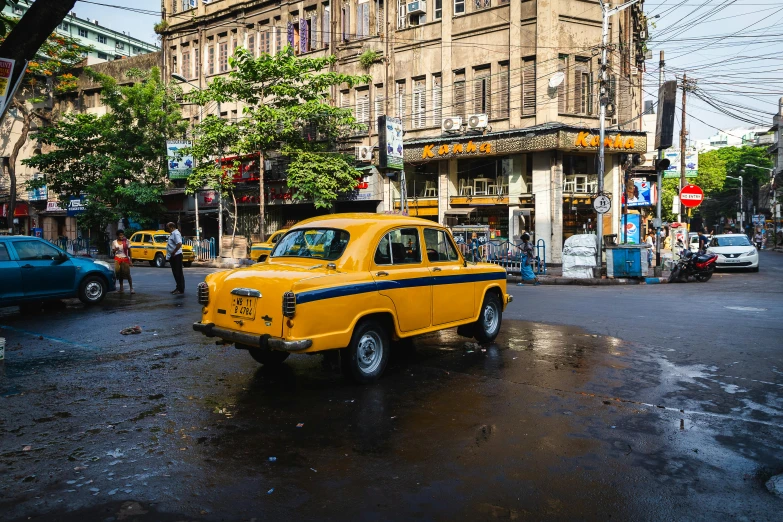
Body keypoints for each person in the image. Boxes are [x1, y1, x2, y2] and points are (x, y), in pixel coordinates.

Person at [111, 230, 134, 294]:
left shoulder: (126, 241)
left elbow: (130, 251)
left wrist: (131, 260)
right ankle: (121, 289)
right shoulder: (114, 242)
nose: (122, 236)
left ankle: (131, 288)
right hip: (117, 259)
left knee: (127, 274)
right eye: (120, 235)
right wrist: (115, 250)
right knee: (119, 274)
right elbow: (113, 252)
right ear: (117, 235)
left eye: (122, 235)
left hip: (125, 259)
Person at [166, 222, 185, 294]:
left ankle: (180, 289)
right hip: (173, 256)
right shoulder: (172, 234)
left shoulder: (175, 233)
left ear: (171, 227)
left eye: (168, 228)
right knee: (175, 273)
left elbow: (179, 243)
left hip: (176, 255)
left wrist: (174, 251)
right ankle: (178, 287)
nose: (167, 230)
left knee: (178, 273)